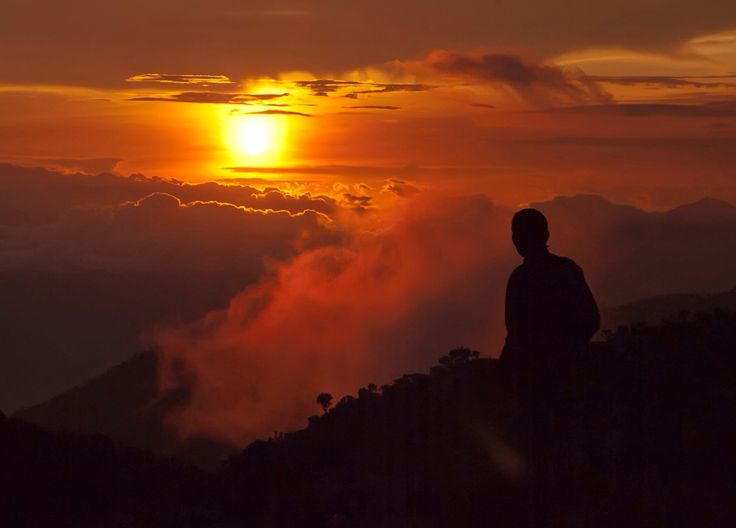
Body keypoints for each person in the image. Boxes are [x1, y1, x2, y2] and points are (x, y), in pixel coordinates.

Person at [501, 208, 599, 526]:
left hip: (539, 384)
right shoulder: (566, 271)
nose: (518, 241)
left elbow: (514, 335)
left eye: (520, 235)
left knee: (542, 456)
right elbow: (591, 320)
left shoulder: (521, 279)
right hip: (565, 378)